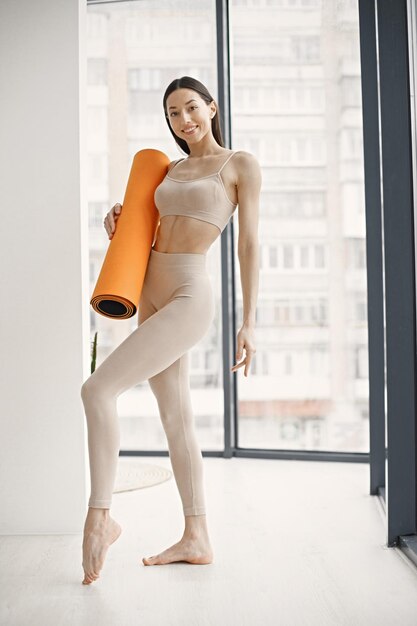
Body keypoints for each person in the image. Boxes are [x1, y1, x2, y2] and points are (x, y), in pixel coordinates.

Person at [80, 76, 261, 585]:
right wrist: (120, 222)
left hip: (187, 293)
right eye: (173, 114)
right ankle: (196, 536)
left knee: (97, 389)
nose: (184, 121)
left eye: (191, 108)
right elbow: (150, 227)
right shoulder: (170, 168)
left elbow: (249, 245)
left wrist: (250, 321)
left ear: (212, 107)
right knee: (175, 419)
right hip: (151, 286)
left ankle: (100, 516)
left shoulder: (238, 164)